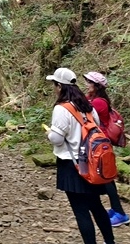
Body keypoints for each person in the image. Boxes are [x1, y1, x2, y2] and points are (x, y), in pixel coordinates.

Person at [45, 67, 115, 244]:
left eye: (55, 85)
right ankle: (110, 242)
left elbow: (57, 140)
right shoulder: (88, 107)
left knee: (81, 211)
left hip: (72, 164)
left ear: (60, 86)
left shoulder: (62, 109)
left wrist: (48, 133)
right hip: (92, 163)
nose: (54, 88)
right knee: (97, 207)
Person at [84, 71, 129, 228]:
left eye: (89, 82)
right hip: (97, 142)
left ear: (97, 86)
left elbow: (82, 111)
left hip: (100, 143)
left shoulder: (99, 102)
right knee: (104, 175)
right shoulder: (93, 99)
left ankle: (120, 212)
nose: (86, 84)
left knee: (106, 176)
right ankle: (116, 209)